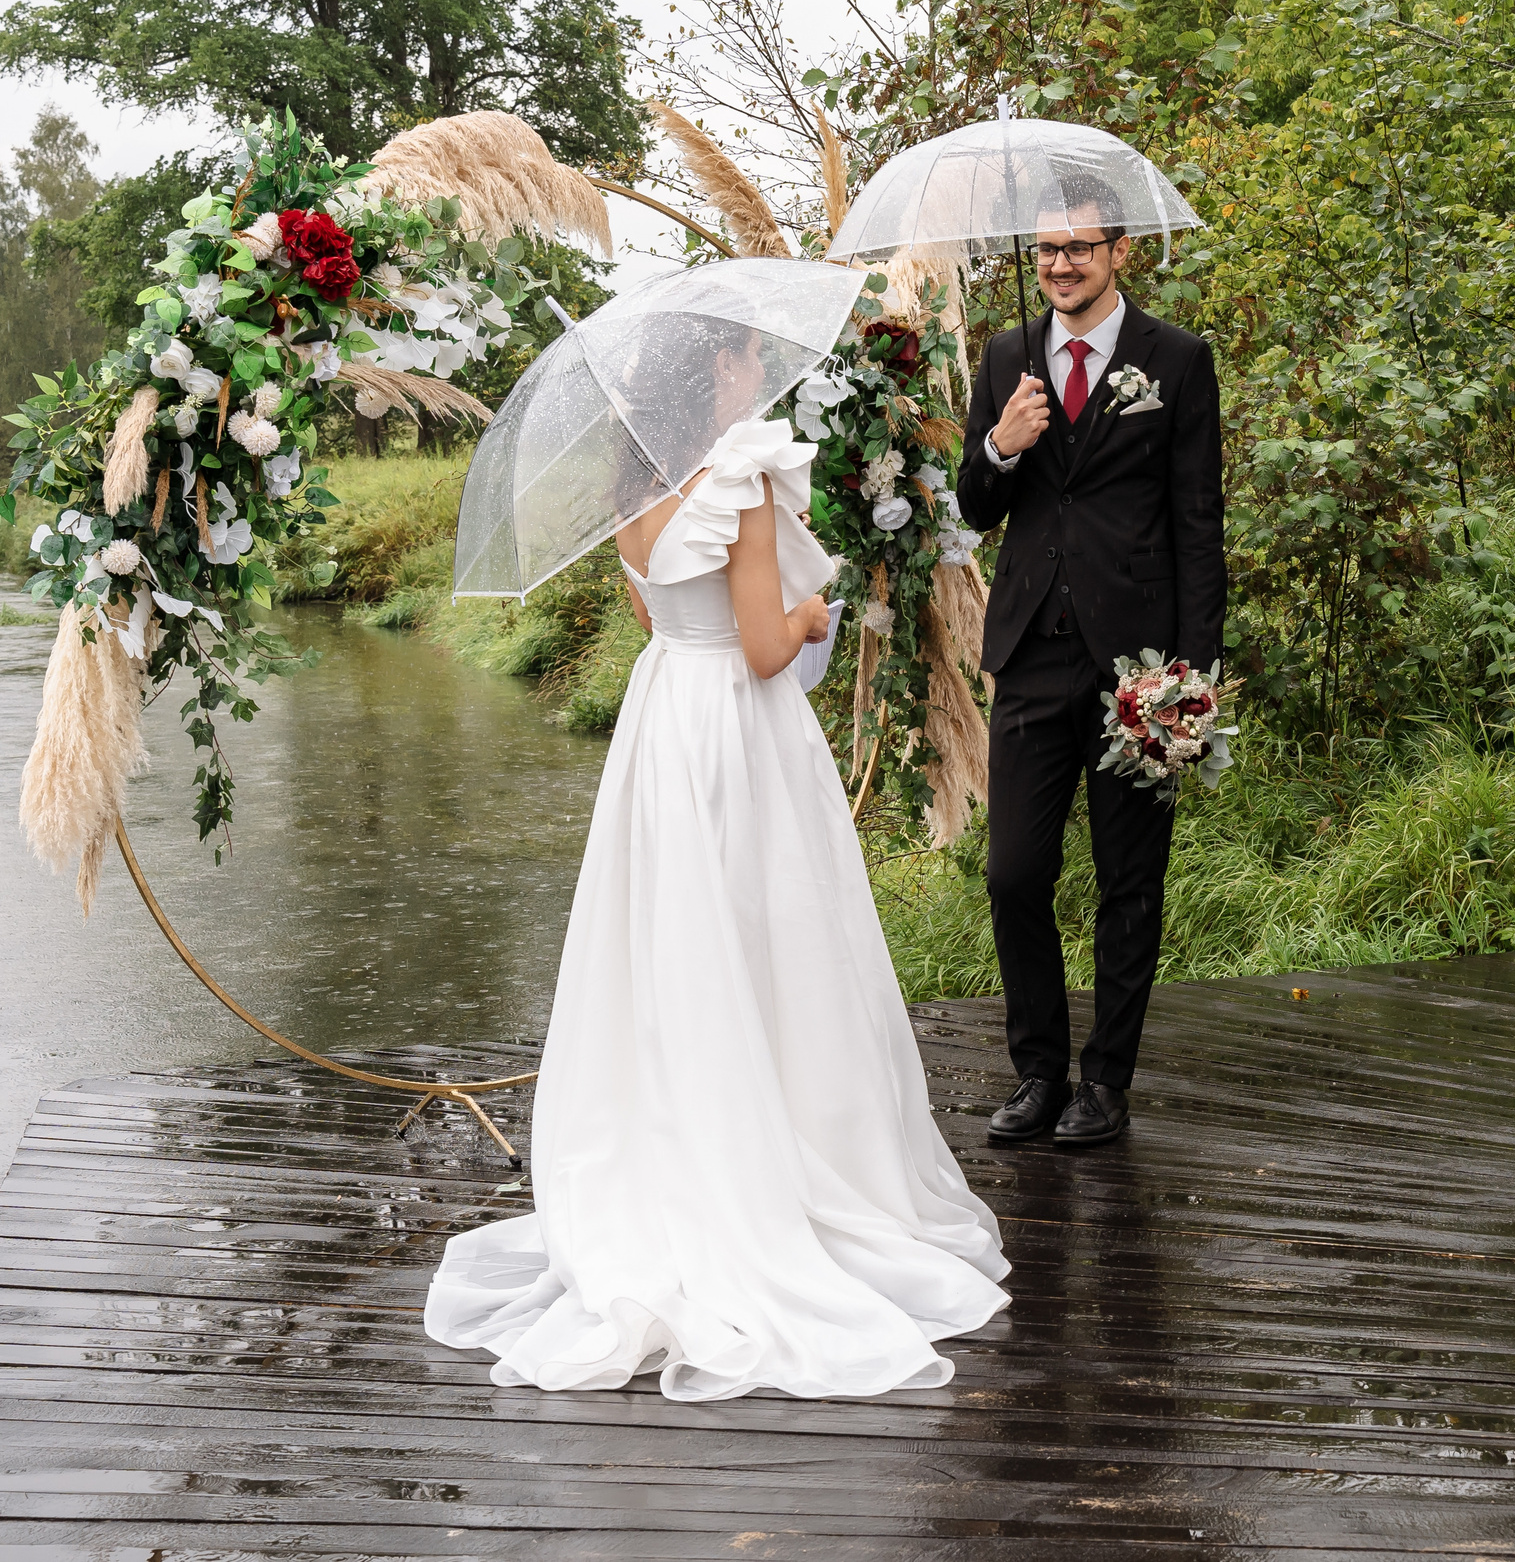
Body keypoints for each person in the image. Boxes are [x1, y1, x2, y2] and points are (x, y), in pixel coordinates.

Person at [424, 324, 1011, 1401]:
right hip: (740, 726)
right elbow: (764, 649)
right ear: (714, 377)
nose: (756, 374)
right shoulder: (738, 482)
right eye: (744, 359)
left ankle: (681, 1135)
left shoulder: (629, 495)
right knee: (769, 928)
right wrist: (814, 611)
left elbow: (657, 616)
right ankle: (783, 1150)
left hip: (664, 719)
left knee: (675, 937)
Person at [956, 177, 1227, 1148]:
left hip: (1139, 668)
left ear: (1119, 251)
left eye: (1078, 247)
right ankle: (1038, 1071)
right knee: (1013, 874)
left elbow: (1198, 526)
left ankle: (1104, 1081)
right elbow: (975, 506)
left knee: (1129, 879)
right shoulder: (1006, 357)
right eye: (1045, 250)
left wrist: (1191, 678)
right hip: (1030, 650)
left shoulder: (1177, 360)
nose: (1059, 264)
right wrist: (1001, 443)